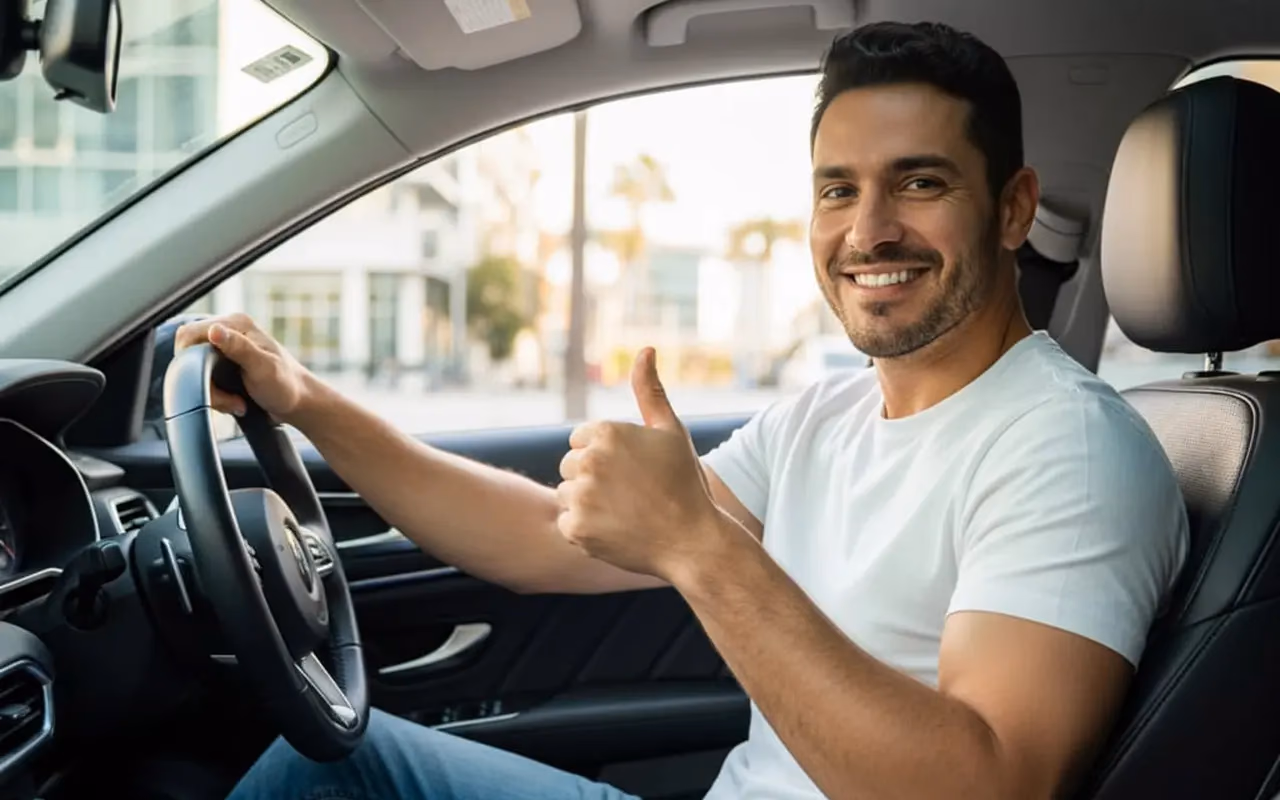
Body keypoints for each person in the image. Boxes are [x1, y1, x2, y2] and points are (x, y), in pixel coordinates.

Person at [181, 20, 1189, 800]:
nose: (867, 228)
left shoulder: (1066, 447)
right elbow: (544, 538)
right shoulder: (825, 419)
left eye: (917, 183)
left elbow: (986, 782)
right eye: (836, 191)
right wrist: (306, 402)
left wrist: (698, 548)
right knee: (326, 764)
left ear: (1011, 207)